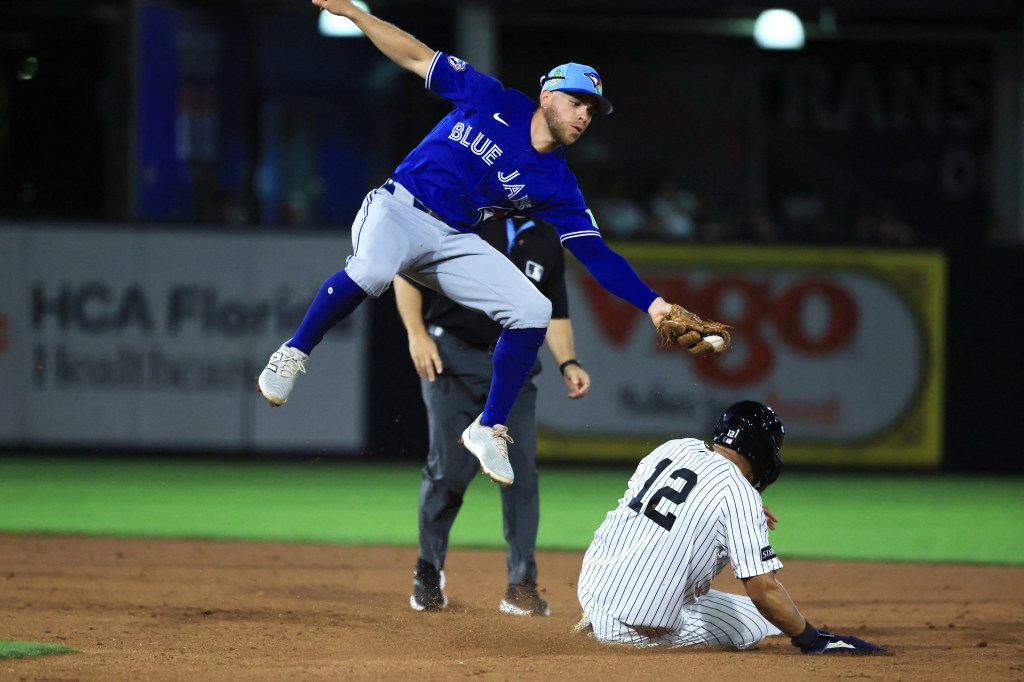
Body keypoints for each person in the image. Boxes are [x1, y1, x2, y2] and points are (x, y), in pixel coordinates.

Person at [258, 0, 727, 491]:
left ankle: (489, 427)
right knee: (373, 272)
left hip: (452, 239)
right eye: (576, 101)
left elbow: (597, 255)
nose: (584, 114)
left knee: (532, 308)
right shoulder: (491, 97)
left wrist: (652, 304)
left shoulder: (558, 185)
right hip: (398, 208)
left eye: (591, 109)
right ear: (547, 94)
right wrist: (359, 17)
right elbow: (417, 57)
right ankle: (292, 354)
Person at [575, 401, 888, 655]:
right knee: (755, 622)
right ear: (762, 452)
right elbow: (763, 591)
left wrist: (737, 514)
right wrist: (814, 639)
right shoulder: (740, 494)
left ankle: (600, 617)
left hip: (594, 590)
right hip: (633, 633)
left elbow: (665, 505)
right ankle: (615, 634)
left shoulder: (676, 448)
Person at [393, 215, 590, 616]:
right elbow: (407, 273)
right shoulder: (468, 217)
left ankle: (521, 585)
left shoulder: (547, 238)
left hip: (513, 372)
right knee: (448, 472)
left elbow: (553, 310)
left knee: (519, 477)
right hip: (451, 359)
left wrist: (568, 361)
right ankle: (428, 571)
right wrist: (417, 334)